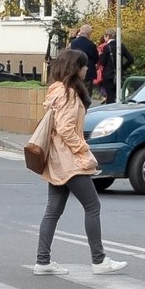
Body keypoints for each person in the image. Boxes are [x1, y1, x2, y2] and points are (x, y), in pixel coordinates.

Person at [33, 49, 127, 276]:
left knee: (53, 210)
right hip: (70, 160)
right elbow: (66, 128)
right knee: (92, 206)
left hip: (56, 159)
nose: (88, 69)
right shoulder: (69, 94)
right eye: (84, 66)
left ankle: (42, 261)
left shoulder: (56, 91)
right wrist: (83, 149)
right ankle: (99, 260)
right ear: (75, 68)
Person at [98, 28, 134, 104]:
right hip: (119, 74)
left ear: (107, 36)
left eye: (104, 37)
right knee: (119, 95)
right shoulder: (121, 46)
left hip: (108, 75)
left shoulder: (106, 47)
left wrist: (100, 55)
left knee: (110, 96)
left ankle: (110, 111)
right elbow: (131, 59)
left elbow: (102, 62)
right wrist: (122, 68)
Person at [68, 24, 99, 96]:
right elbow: (96, 59)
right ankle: (85, 106)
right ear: (89, 34)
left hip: (75, 70)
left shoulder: (73, 43)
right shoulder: (91, 45)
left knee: (76, 92)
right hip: (88, 73)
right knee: (87, 93)